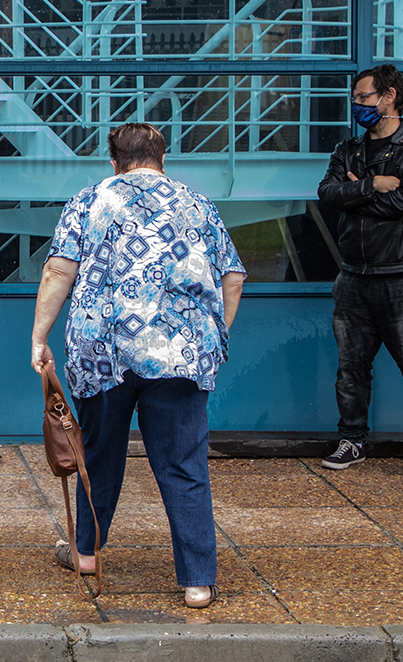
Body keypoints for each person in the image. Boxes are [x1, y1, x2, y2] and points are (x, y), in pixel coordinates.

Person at [29, 122, 245, 607]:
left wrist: (39, 338)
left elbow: (59, 270)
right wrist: (214, 336)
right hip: (180, 354)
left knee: (100, 452)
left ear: (114, 160)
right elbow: (232, 275)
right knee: (184, 464)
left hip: (104, 351)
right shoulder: (199, 203)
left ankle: (86, 552)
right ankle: (196, 583)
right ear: (162, 158)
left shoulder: (89, 201)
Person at [315, 64, 403, 480]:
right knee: (350, 369)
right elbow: (327, 195)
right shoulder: (348, 150)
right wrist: (372, 186)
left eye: (363, 97)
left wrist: (355, 194)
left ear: (389, 96)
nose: (356, 104)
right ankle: (352, 440)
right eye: (356, 98)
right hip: (353, 277)